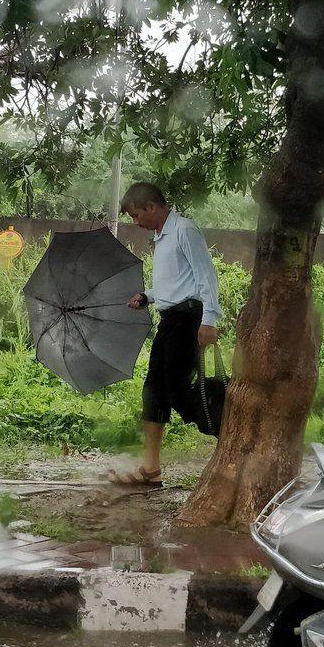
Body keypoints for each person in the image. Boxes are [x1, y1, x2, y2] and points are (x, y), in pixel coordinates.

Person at [109, 182, 222, 489]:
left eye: (136, 215)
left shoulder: (184, 230)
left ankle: (227, 434)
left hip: (189, 319)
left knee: (178, 388)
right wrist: (147, 296)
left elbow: (205, 277)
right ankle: (151, 469)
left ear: (152, 207)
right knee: (154, 390)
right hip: (170, 320)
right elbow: (174, 284)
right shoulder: (161, 237)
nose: (135, 222)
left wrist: (209, 320)